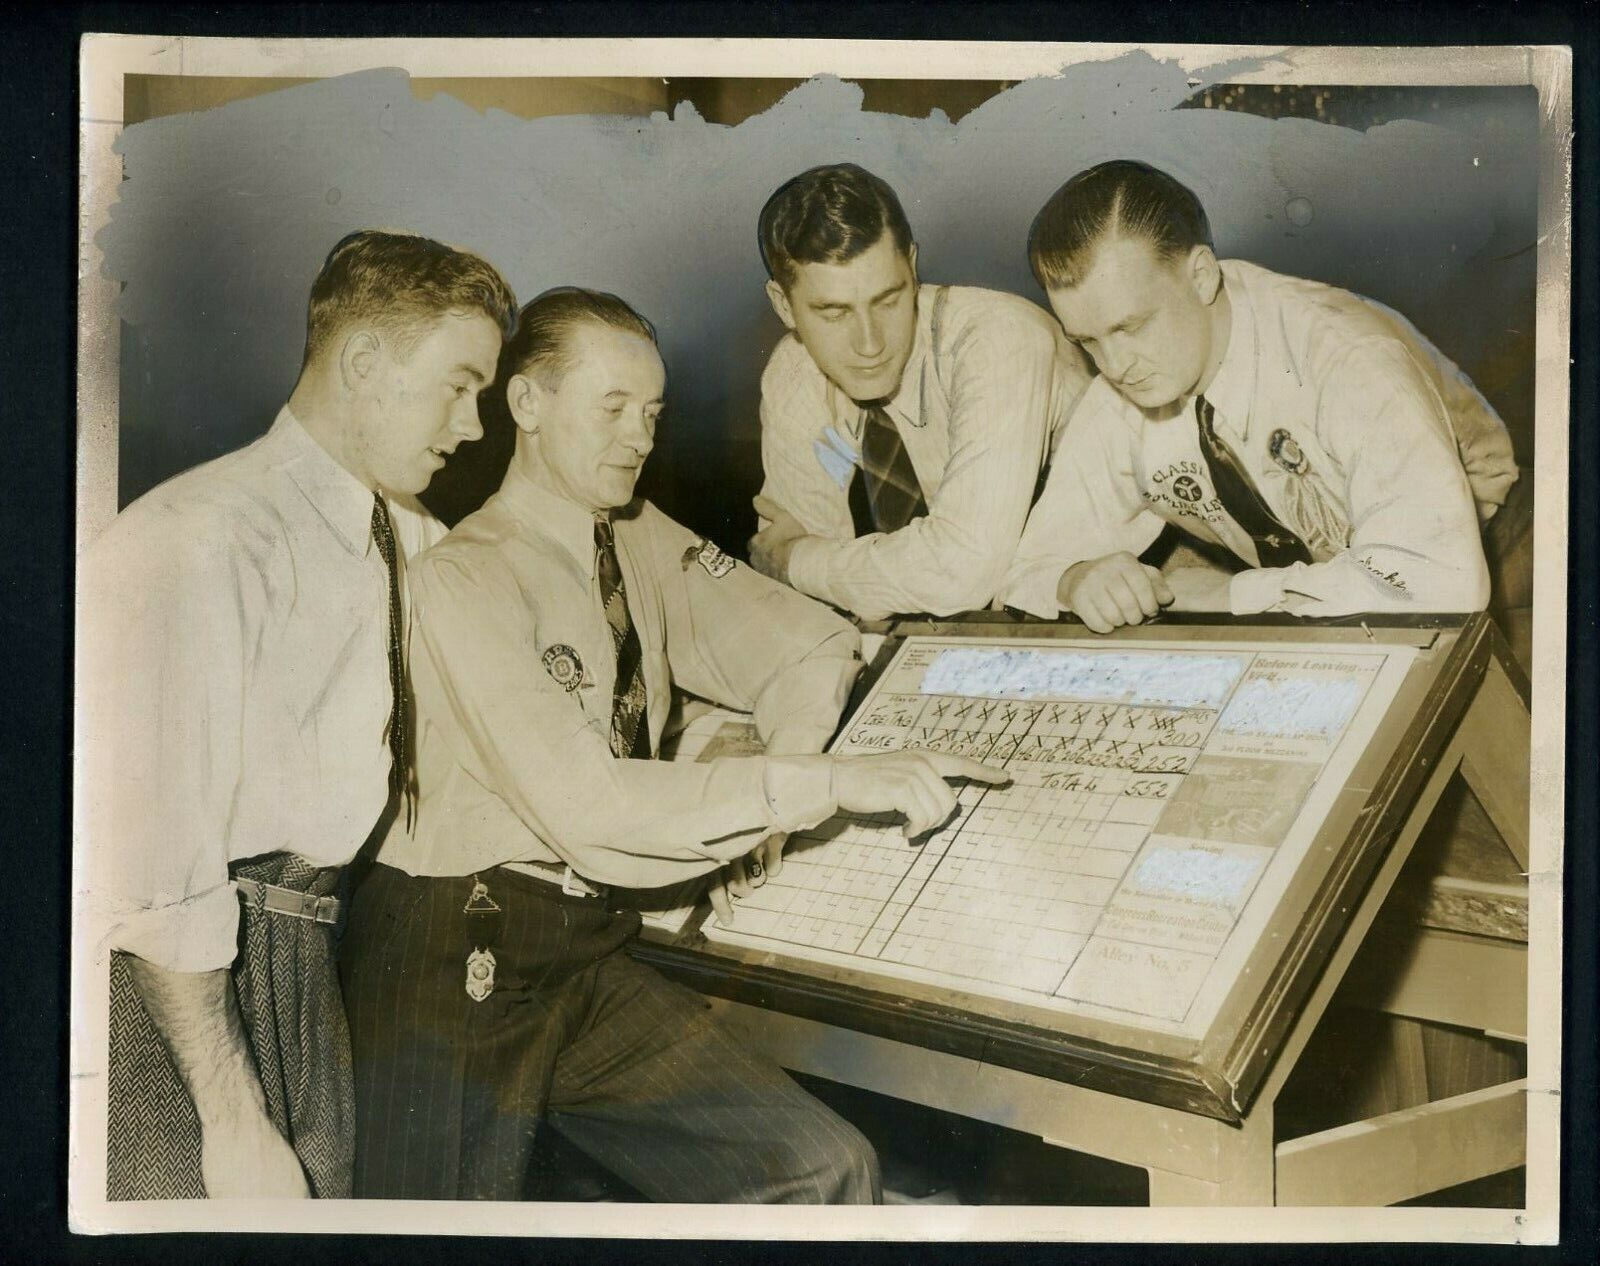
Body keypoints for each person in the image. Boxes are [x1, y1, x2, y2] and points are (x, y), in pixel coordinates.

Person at [339, 287, 1007, 1203]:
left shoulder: (638, 535)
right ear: (527, 406)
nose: (639, 437)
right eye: (610, 409)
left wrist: (769, 807)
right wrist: (815, 785)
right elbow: (589, 807)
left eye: (651, 412)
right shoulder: (463, 577)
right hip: (454, 955)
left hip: (587, 945)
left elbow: (807, 640)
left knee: (820, 1167)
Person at [78, 230, 517, 1200]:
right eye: (458, 384)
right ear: (363, 360)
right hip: (176, 992)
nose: (475, 425)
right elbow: (154, 878)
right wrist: (231, 1117)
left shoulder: (407, 537)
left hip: (311, 965)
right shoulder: (196, 540)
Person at [1001, 159, 1521, 631]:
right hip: (1313, 585)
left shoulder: (1346, 358)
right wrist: (1076, 578)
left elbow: (1435, 586)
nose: (1114, 367)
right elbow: (1028, 569)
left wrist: (1227, 594)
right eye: (1087, 341)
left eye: (1131, 327)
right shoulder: (1126, 383)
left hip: (1503, 550)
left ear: (1201, 275)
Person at [747, 162, 1093, 621]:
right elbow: (799, 555)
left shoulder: (997, 339)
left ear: (911, 267)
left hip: (1134, 592)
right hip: (993, 622)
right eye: (834, 313)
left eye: (888, 299)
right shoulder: (795, 376)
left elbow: (962, 573)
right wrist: (803, 561)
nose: (870, 344)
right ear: (783, 305)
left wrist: (797, 562)